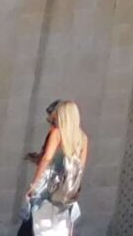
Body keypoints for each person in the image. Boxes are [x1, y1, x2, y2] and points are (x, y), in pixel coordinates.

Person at [25, 98, 88, 236]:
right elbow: (80, 168)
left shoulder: (57, 133)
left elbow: (47, 158)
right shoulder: (83, 138)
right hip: (67, 191)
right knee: (59, 229)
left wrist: (34, 185)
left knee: (38, 226)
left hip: (48, 187)